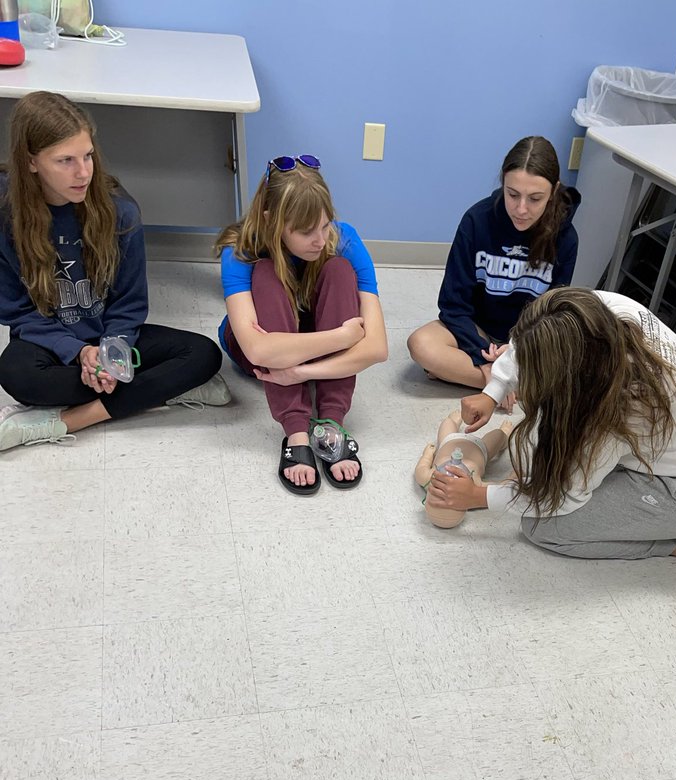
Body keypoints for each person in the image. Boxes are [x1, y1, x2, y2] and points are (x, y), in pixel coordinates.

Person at [428, 287, 676, 566]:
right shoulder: (595, 309)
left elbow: (562, 497)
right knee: (542, 454)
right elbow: (533, 335)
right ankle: (661, 516)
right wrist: (494, 390)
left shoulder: (616, 409)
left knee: (543, 528)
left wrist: (479, 496)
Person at [0, 91, 227, 453]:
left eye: (88, 155)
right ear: (31, 162)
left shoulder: (120, 211)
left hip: (111, 334)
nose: (83, 172)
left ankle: (63, 421)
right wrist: (79, 353)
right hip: (49, 342)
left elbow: (130, 304)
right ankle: (160, 389)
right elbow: (16, 311)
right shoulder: (6, 214)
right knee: (17, 374)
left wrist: (111, 354)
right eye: (65, 160)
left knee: (203, 354)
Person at [215, 154, 387, 494]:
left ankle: (332, 422)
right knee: (266, 271)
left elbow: (378, 348)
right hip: (260, 353)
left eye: (325, 225)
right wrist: (342, 337)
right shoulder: (241, 249)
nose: (320, 240)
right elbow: (259, 351)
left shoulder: (343, 239)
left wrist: (300, 372)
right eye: (306, 231)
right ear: (272, 221)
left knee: (340, 270)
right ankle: (295, 431)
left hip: (302, 346)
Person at [407, 135, 580, 390]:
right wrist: (481, 355)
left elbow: (553, 316)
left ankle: (485, 379)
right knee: (421, 344)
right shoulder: (476, 221)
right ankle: (510, 385)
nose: (521, 209)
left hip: (529, 341)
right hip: (479, 332)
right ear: (503, 183)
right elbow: (453, 305)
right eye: (513, 195)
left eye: (535, 199)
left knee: (580, 359)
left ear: (553, 192)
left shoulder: (566, 238)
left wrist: (517, 349)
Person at [414, 410, 513, 529]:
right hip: (480, 448)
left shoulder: (428, 478)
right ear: (466, 505)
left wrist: (427, 455)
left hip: (449, 440)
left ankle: (455, 421)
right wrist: (511, 479)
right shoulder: (475, 487)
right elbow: (498, 489)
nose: (447, 486)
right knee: (497, 436)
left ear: (427, 496)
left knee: (447, 423)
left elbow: (421, 468)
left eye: (437, 492)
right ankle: (505, 435)